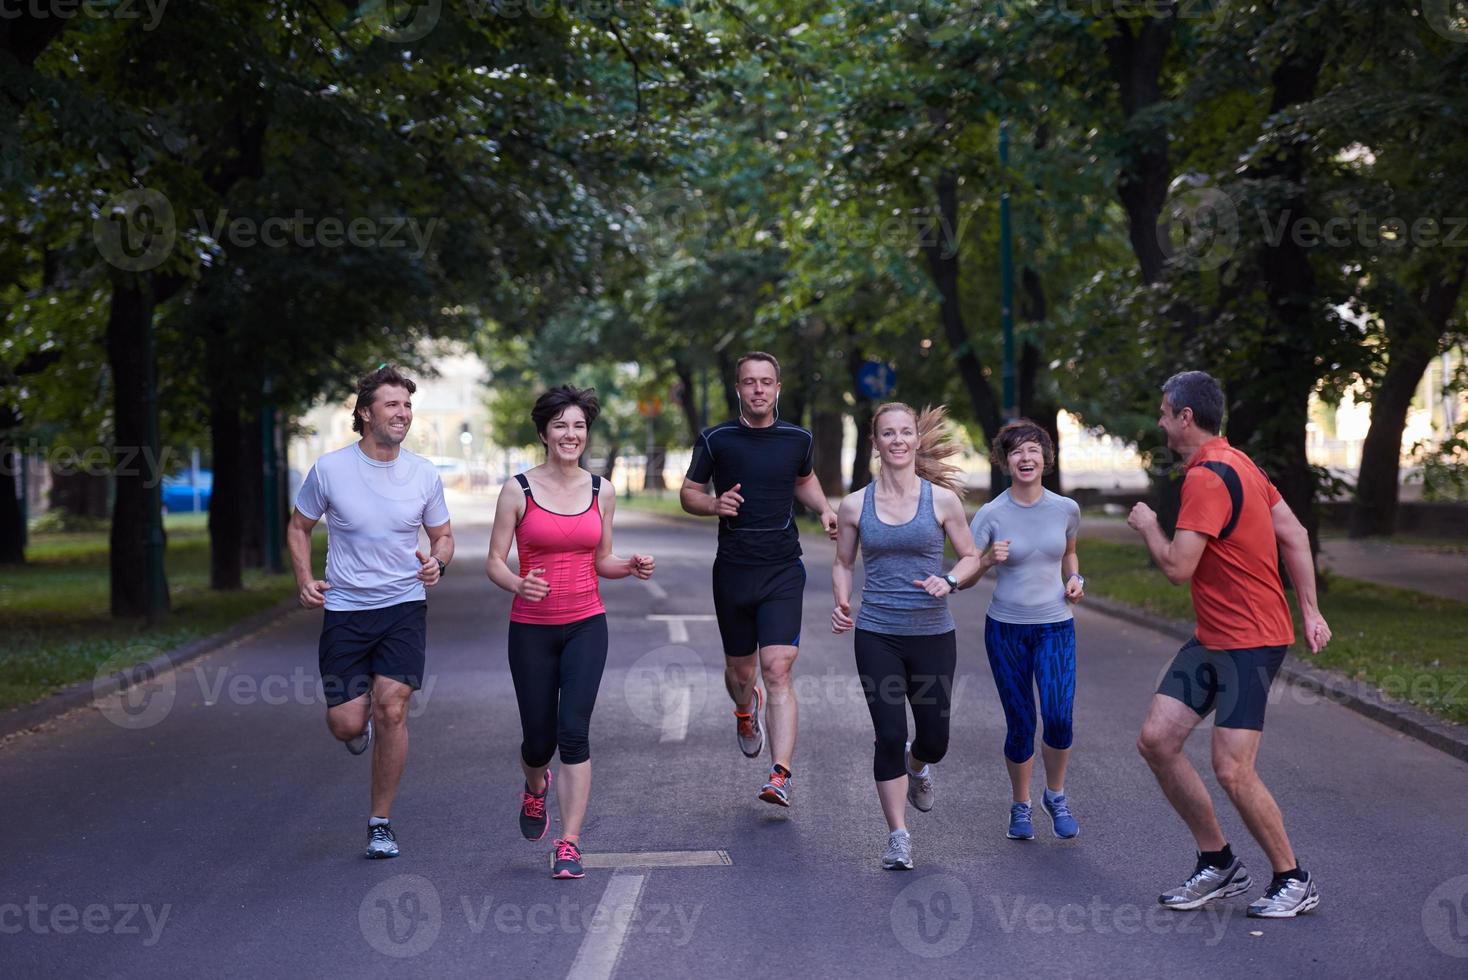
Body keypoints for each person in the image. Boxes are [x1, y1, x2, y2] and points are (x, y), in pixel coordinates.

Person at [1129, 370, 1330, 918]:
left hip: (1250, 642)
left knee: (1232, 768)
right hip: (1214, 636)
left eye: (1165, 413)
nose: (1161, 422)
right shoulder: (1240, 462)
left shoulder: (1209, 477)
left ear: (1185, 417)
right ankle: (1218, 863)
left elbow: (1176, 568)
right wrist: (1310, 609)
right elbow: (1295, 533)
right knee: (1157, 741)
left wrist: (1148, 525)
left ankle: (1294, 878)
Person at [486, 385, 655, 879]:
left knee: (573, 734)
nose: (570, 434)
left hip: (586, 625)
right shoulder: (518, 489)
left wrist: (631, 565)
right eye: (560, 425)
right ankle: (535, 787)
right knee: (538, 742)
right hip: (531, 630)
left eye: (578, 425)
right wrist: (519, 583)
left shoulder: (602, 490)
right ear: (543, 432)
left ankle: (569, 844)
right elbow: (495, 562)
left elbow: (602, 560)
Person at [287, 365, 454, 860]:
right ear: (365, 413)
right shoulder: (330, 470)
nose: (403, 414)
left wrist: (437, 563)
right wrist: (303, 579)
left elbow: (443, 536)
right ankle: (354, 732)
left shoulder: (423, 472)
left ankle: (380, 822)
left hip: (403, 605)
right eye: (392, 405)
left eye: (407, 405)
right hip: (345, 609)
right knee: (346, 722)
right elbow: (299, 528)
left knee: (392, 708)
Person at [679, 351, 838, 808]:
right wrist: (713, 505)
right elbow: (690, 492)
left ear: (778, 388)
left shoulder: (798, 438)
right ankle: (745, 712)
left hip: (783, 567)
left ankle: (780, 774)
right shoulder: (716, 439)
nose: (758, 390)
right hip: (733, 570)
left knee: (778, 669)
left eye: (766, 382)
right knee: (742, 672)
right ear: (738, 388)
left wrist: (824, 508)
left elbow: (803, 479)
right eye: (749, 382)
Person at [831, 403, 984, 870]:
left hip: (933, 634)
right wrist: (842, 601)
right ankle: (898, 836)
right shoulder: (856, 504)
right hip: (878, 634)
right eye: (887, 434)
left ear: (917, 440)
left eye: (904, 432)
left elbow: (972, 557)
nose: (897, 440)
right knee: (889, 733)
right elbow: (842, 562)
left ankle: (919, 766)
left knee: (934, 738)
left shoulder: (941, 501)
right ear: (875, 443)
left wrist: (951, 580)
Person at [969, 419, 1086, 843]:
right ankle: (1020, 805)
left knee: (1058, 716)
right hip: (1005, 630)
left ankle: (1054, 795)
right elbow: (963, 571)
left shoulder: (1065, 509)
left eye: (1033, 449)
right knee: (1020, 722)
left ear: (1045, 458)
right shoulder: (991, 514)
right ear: (1005, 460)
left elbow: (1070, 553)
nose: (1025, 457)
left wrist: (1076, 580)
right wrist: (984, 561)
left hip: (1056, 627)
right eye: (1016, 450)